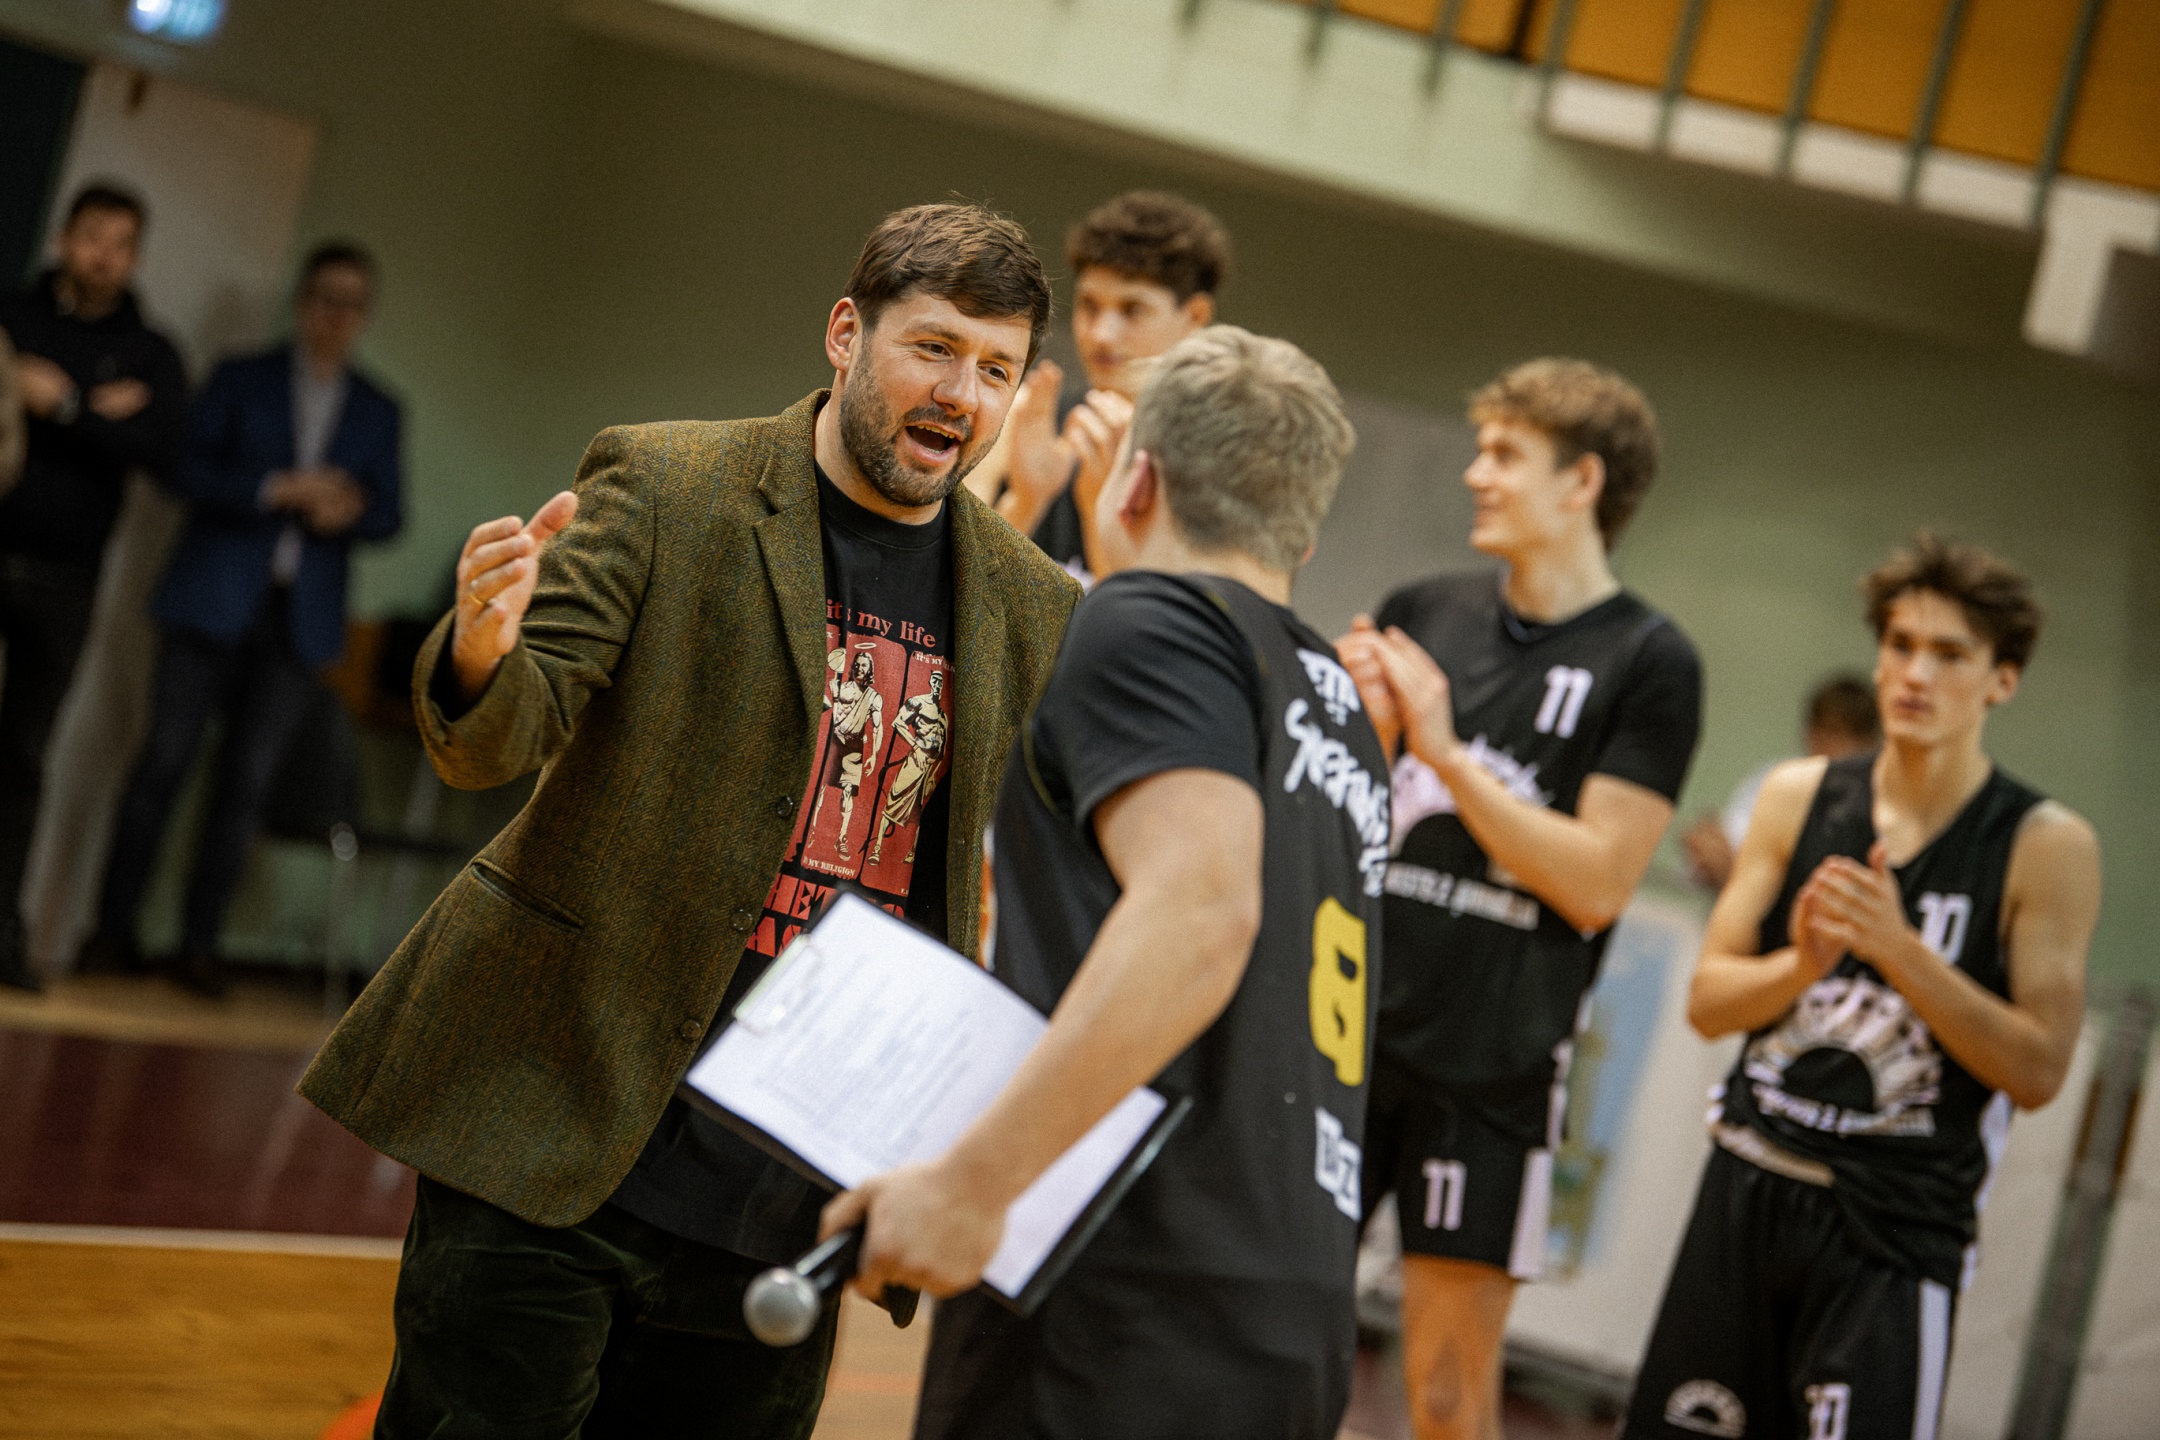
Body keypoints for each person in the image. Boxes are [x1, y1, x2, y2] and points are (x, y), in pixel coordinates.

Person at [298, 202, 1077, 1439]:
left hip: (788, 1186)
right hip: (559, 1117)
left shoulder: (1031, 603)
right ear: (846, 334)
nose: (960, 394)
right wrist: (486, 648)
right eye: (933, 348)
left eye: (996, 369)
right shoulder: (669, 483)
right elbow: (497, 737)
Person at [830, 325, 1382, 1439]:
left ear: (1136, 482)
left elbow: (1201, 915)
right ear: (1304, 531)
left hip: (1125, 1293)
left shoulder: (1149, 621)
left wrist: (974, 1182)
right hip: (1292, 1298)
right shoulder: (1336, 701)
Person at [1625, 534, 2099, 1440]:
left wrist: (1900, 951)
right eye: (1900, 645)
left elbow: (2038, 1071)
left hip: (1893, 1231)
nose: (1915, 673)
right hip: (1749, 1187)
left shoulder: (2046, 845)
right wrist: (1804, 965)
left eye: (1949, 654)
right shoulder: (1797, 796)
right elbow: (1708, 1002)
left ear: (2002, 680)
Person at [1336, 358, 1703, 1440]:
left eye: (1505, 455)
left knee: (1447, 1392)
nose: (1476, 474)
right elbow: (1344, 808)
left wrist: (1446, 755)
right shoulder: (1423, 612)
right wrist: (1355, 723)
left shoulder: (1650, 660)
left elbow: (1596, 882)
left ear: (1582, 482)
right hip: (1347, 1034)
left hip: (1489, 1077)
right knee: (1268, 1338)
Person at [82, 242, 403, 997]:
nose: (337, 316)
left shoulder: (378, 408)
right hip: (211, 599)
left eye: (352, 304)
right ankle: (111, 933)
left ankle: (199, 947)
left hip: (298, 620)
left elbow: (389, 513)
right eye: (326, 298)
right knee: (162, 764)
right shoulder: (241, 377)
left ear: (365, 315)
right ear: (303, 301)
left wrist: (346, 507)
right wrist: (275, 489)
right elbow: (183, 470)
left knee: (245, 788)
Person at [0, 183, 188, 993]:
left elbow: (169, 455)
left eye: (121, 243)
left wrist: (66, 403)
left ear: (136, 256)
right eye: (92, 236)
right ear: (62, 238)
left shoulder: (150, 351)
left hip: (67, 579)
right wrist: (102, 415)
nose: (104, 255)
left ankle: (3, 934)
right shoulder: (12, 316)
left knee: (23, 754)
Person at [967, 190, 1230, 584]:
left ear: (1195, 316)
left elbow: (1146, 619)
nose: (1101, 335)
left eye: (1132, 309)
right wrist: (1027, 500)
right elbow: (958, 596)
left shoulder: (1223, 462)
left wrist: (1099, 507)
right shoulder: (1020, 419)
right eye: (1089, 305)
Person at [1682, 673, 1878, 892]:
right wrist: (1709, 849)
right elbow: (1731, 842)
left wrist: (1740, 877)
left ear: (1868, 743)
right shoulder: (1778, 778)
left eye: (1836, 732)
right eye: (1817, 727)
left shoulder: (1870, 808)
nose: (1822, 740)